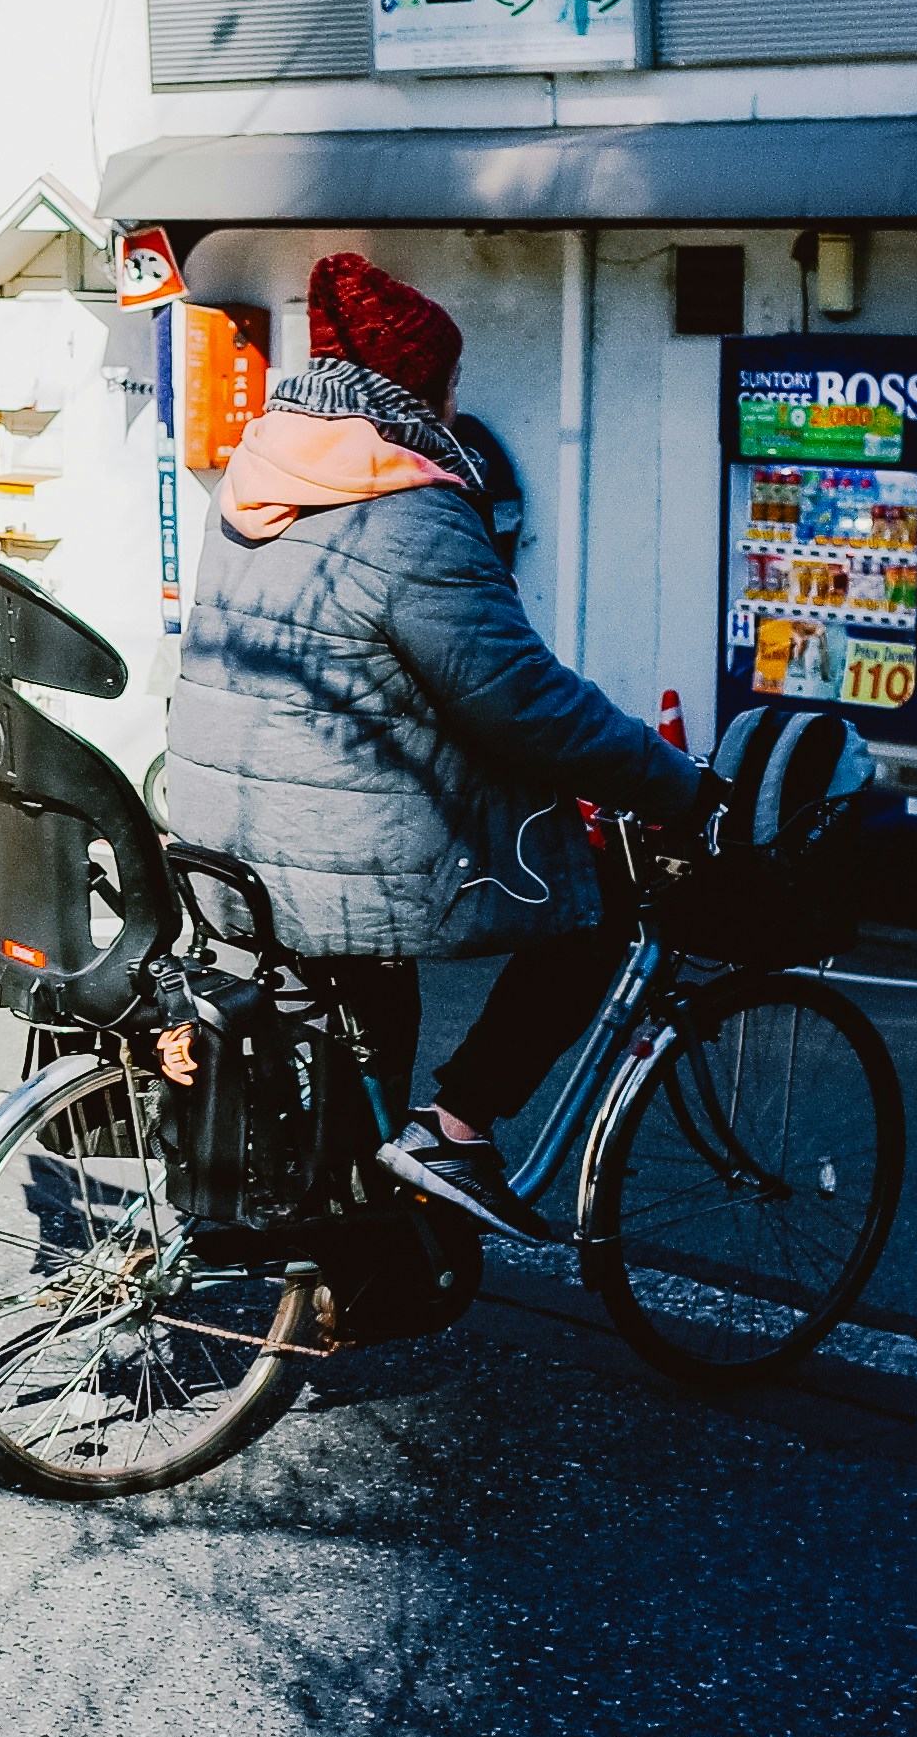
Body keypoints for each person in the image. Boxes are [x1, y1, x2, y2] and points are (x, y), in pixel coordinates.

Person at [160, 253, 709, 1239]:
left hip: (226, 833)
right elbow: (519, 701)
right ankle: (456, 1131)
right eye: (450, 384)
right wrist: (674, 785)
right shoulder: (410, 507)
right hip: (336, 851)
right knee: (593, 910)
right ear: (416, 391)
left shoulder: (253, 478)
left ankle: (344, 1244)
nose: (457, 405)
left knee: (361, 1044)